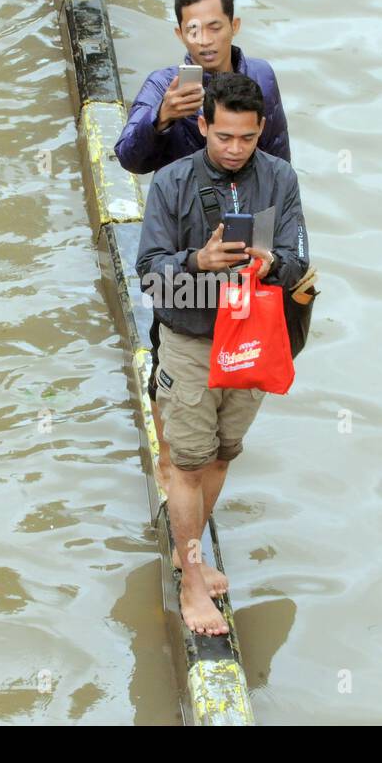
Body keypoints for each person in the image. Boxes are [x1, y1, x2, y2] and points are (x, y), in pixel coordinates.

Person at [135, 73, 308, 636]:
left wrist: (271, 265)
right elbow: (149, 273)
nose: (235, 149)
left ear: (262, 132)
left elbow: (298, 257)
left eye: (248, 138)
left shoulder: (281, 178)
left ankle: (195, 556)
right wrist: (195, 263)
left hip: (254, 332)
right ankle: (190, 579)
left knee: (221, 455)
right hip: (190, 336)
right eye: (224, 136)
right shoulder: (170, 181)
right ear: (203, 125)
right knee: (186, 462)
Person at [115, 0, 292, 494]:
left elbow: (279, 156)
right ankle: (172, 457)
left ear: (234, 27)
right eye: (193, 29)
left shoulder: (259, 77)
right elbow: (129, 156)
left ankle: (206, 453)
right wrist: (163, 118)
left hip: (244, 235)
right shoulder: (164, 85)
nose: (205, 39)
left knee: (241, 341)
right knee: (171, 330)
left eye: (214, 26)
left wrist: (281, 241)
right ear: (179, 33)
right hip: (181, 237)